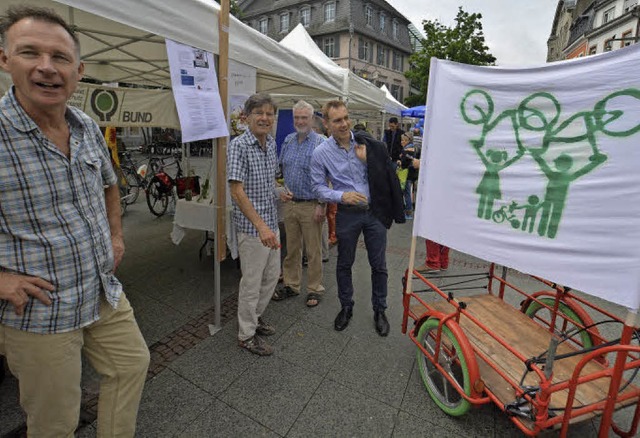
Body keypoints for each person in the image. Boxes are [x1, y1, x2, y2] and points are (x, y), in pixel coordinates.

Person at [0, 6, 150, 437]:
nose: (47, 68)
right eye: (30, 52)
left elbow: (109, 186)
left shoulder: (84, 124)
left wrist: (116, 237)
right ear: (6, 60)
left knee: (131, 365)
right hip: (40, 310)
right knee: (55, 421)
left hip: (100, 286)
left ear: (78, 70)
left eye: (60, 57)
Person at [311, 101, 405, 336]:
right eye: (337, 120)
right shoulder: (321, 153)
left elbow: (387, 172)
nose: (344, 124)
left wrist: (367, 161)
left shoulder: (368, 144)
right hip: (348, 214)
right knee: (344, 263)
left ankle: (380, 309)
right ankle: (346, 306)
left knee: (379, 265)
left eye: (345, 118)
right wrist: (341, 196)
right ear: (326, 124)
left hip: (374, 213)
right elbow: (318, 188)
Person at [227, 93, 281, 356]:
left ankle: (255, 317)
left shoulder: (270, 144)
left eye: (269, 113)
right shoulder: (238, 145)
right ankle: (246, 334)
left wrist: (281, 193)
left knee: (271, 277)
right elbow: (237, 191)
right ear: (247, 117)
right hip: (253, 230)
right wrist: (260, 226)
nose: (264, 118)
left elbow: (269, 183)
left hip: (271, 224)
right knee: (251, 282)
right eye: (259, 113)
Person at [272, 100, 325, 307]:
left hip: (312, 204)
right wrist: (279, 189)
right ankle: (292, 285)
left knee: (313, 251)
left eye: (304, 117)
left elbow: (327, 177)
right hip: (290, 203)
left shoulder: (321, 143)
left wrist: (322, 204)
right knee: (292, 249)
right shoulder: (288, 140)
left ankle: (314, 289)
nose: (300, 121)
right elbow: (279, 171)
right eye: (297, 117)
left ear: (312, 119)